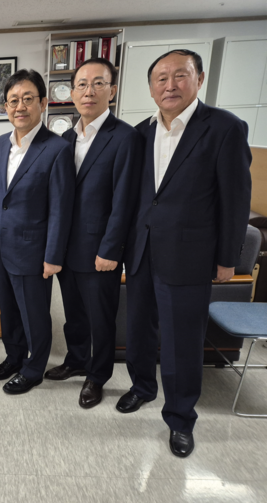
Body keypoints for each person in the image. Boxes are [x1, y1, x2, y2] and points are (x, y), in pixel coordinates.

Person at [119, 49, 252, 457]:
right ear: (150, 87)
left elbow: (235, 198)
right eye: (161, 78)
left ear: (199, 79)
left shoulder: (225, 128)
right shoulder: (140, 132)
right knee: (138, 329)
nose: (170, 85)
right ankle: (142, 387)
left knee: (181, 341)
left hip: (189, 255)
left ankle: (180, 419)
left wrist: (228, 258)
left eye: (180, 75)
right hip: (141, 250)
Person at [47, 58, 142, 408]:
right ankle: (76, 359)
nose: (89, 91)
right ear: (72, 93)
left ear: (111, 91)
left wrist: (111, 249)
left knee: (101, 318)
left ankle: (97, 375)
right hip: (67, 247)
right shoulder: (66, 137)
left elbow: (124, 200)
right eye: (82, 84)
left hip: (100, 250)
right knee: (73, 313)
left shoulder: (125, 137)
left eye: (98, 83)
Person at [0, 69, 75, 395]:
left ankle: (34, 368)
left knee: (34, 314)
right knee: (8, 311)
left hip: (34, 251)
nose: (19, 107)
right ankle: (14, 357)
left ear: (43, 103)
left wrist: (53, 256)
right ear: (6, 107)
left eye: (27, 99)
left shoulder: (57, 148)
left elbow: (61, 208)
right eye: (13, 101)